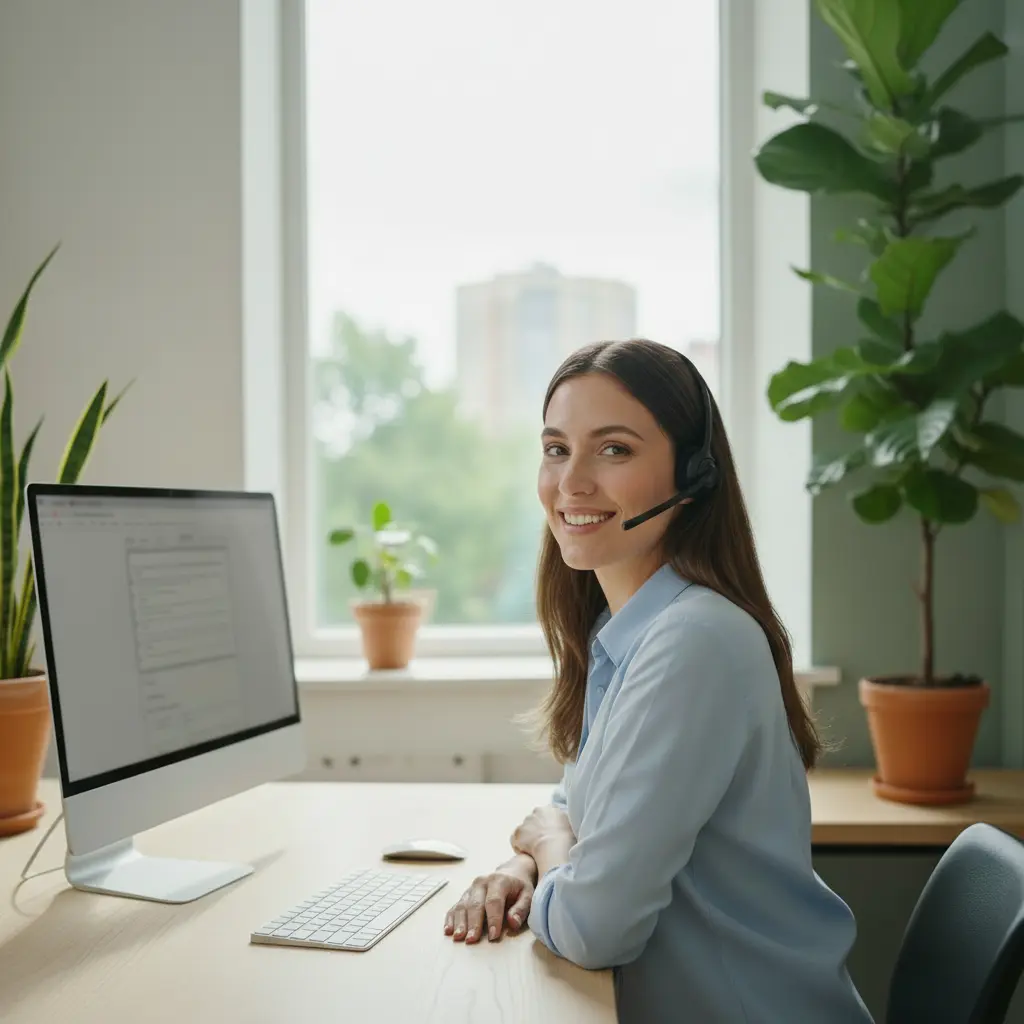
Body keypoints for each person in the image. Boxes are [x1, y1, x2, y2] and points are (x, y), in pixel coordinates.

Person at [442, 338, 875, 1024]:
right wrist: (525, 868)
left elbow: (593, 927)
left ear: (694, 474)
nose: (573, 482)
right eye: (556, 449)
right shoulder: (632, 630)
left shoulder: (694, 642)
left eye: (613, 450)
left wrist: (550, 848)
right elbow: (585, 797)